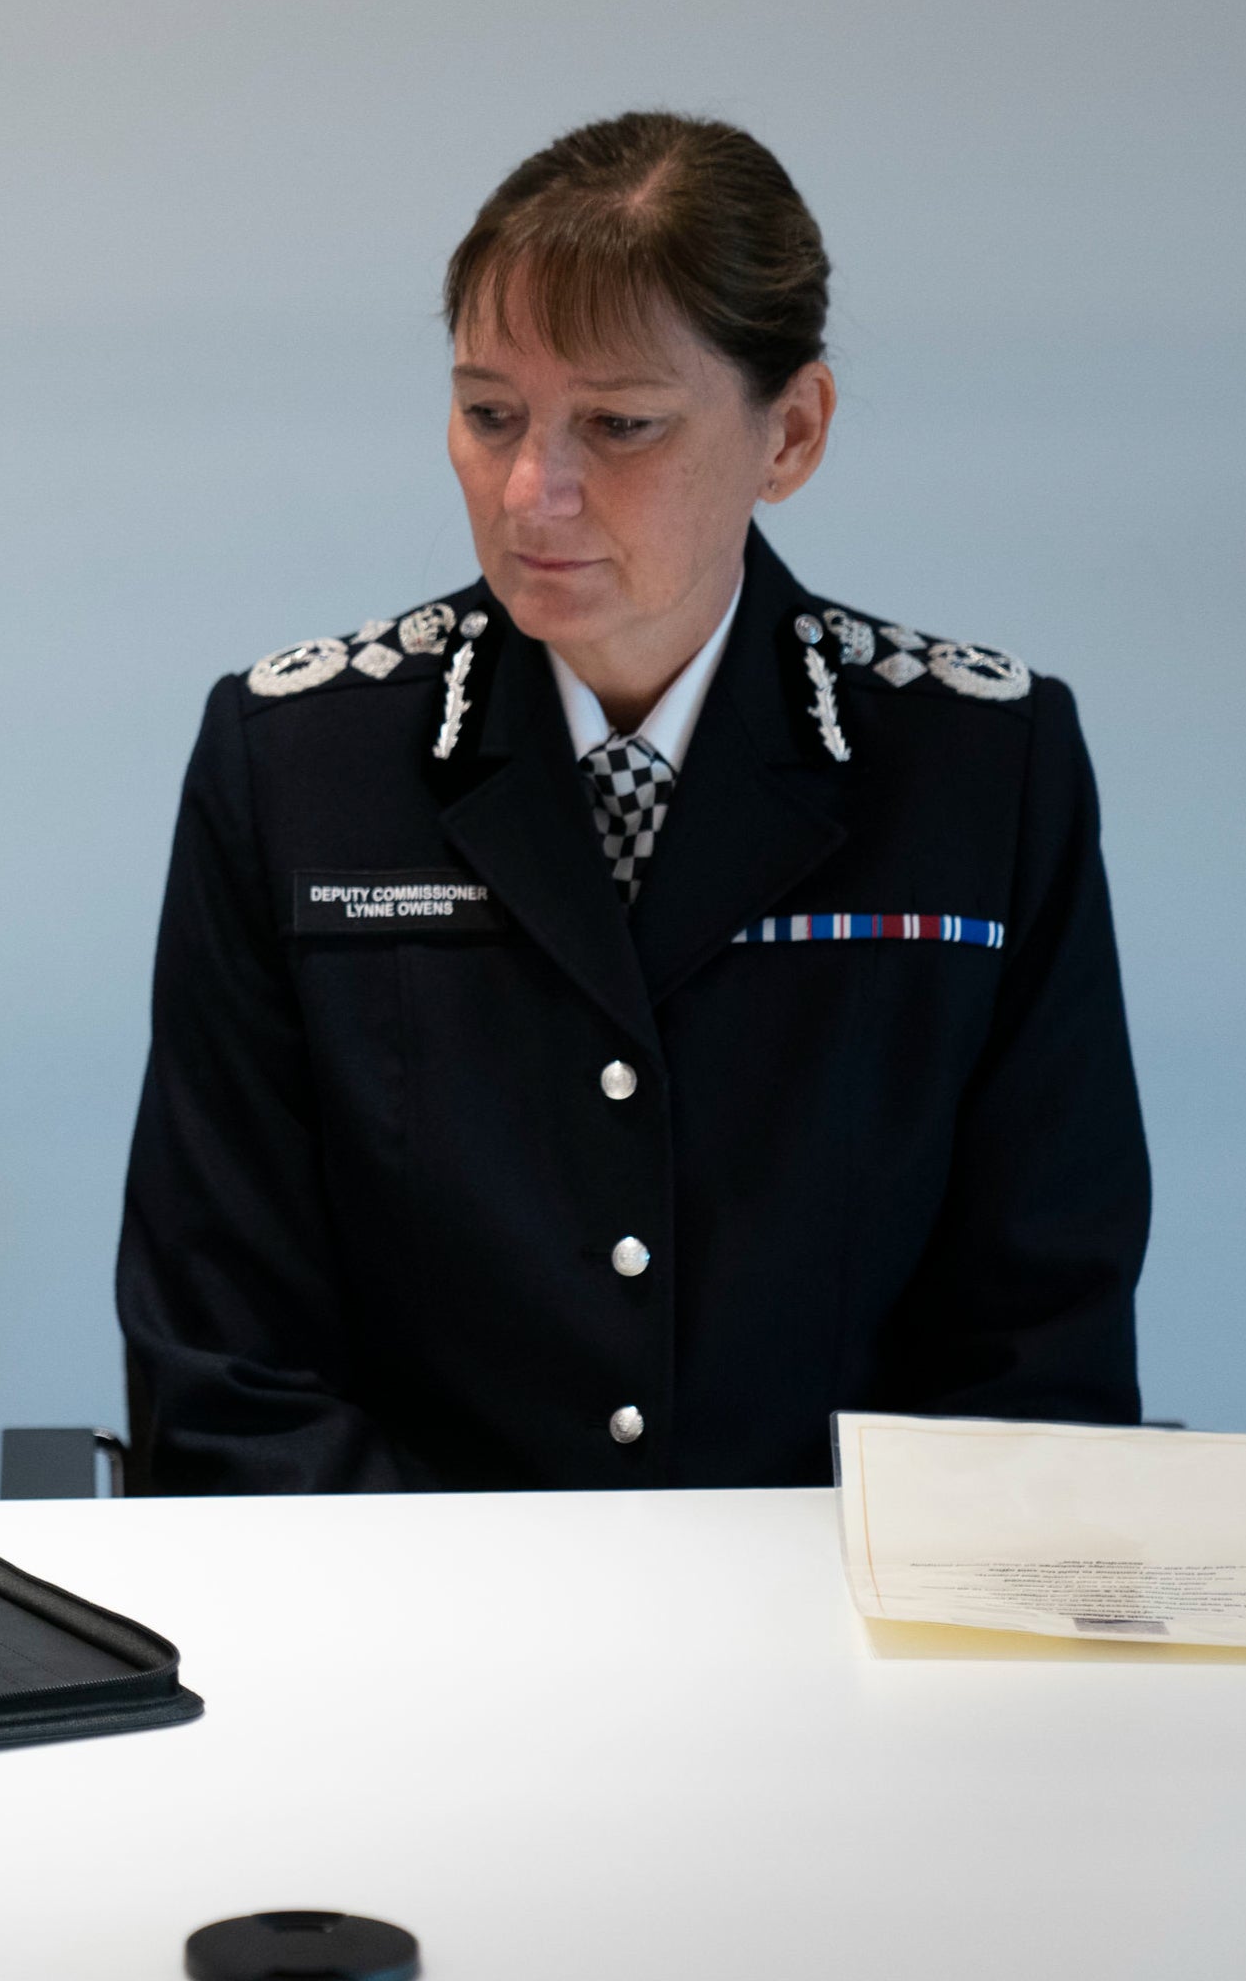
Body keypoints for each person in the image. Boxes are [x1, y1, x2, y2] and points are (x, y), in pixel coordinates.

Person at [118, 112, 1149, 1495]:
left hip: (844, 1629)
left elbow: (1039, 1350)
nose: (532, 490)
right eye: (490, 415)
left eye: (618, 424)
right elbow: (223, 1356)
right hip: (405, 1626)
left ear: (790, 431)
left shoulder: (977, 766)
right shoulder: (301, 758)